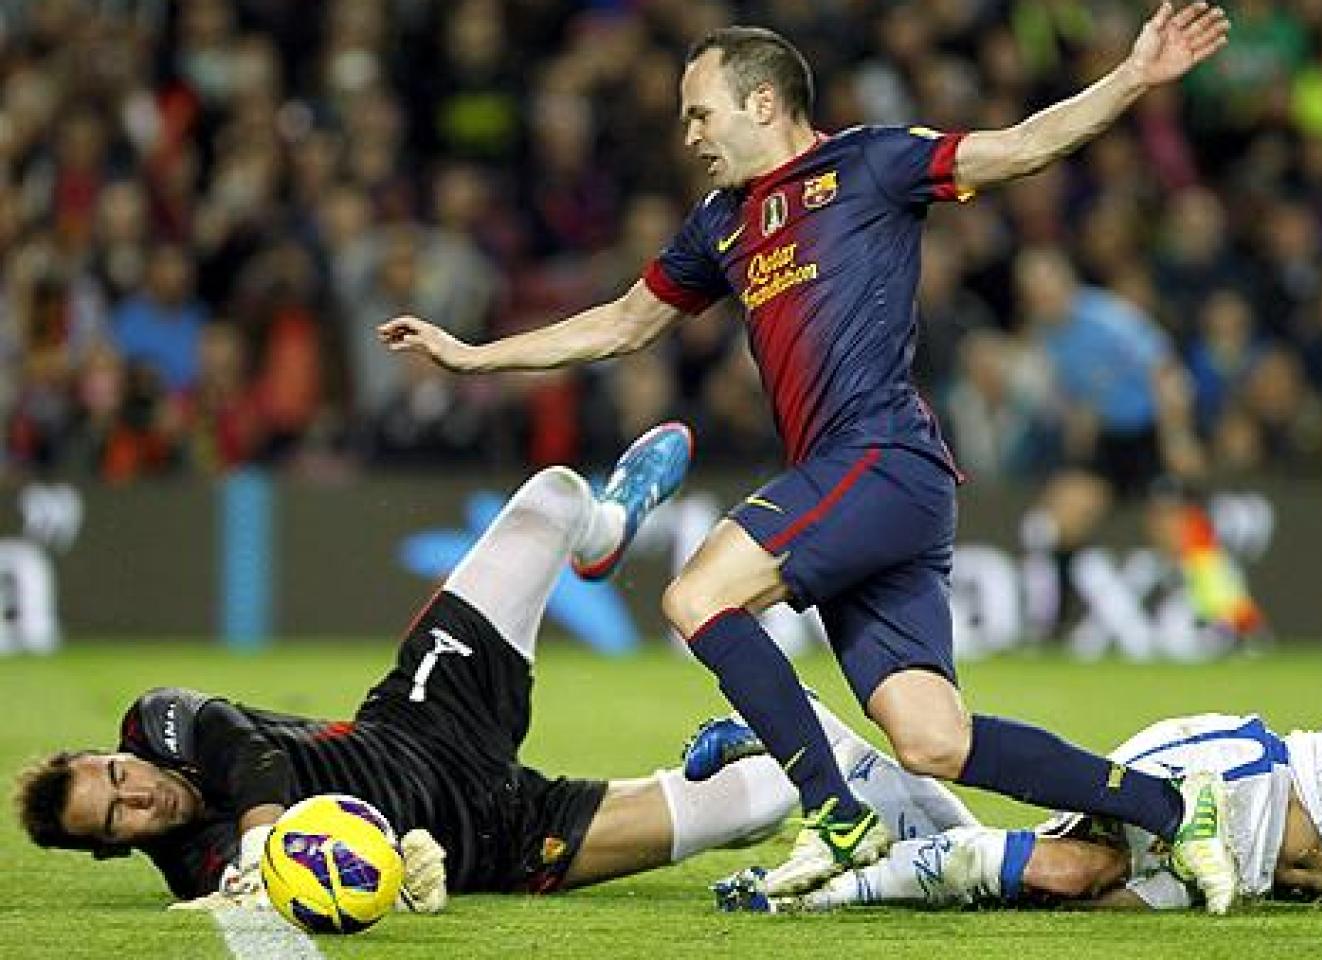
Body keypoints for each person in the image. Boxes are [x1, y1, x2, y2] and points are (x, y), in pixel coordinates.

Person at [377, 3, 1238, 909]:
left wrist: (1133, 76)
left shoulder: (870, 163)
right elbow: (623, 323)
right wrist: (477, 355)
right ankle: (1177, 809)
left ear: (760, 103)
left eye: (699, 112)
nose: (689, 133)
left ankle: (834, 816)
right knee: (931, 740)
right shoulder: (720, 224)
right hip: (868, 490)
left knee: (696, 594)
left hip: (881, 457)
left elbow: (1018, 146)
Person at [13, 427, 976, 909]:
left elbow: (241, 747)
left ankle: (604, 532)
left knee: (553, 495)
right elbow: (329, 901)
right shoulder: (198, 873)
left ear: (109, 753)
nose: (137, 796)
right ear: (114, 847)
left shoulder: (160, 725)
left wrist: (270, 842)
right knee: (773, 794)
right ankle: (959, 853)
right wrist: (393, 880)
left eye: (116, 778)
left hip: (423, 715)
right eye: (120, 819)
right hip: (495, 837)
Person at [708, 673, 1322, 917]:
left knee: (1038, 885)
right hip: (1242, 779)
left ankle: (814, 739)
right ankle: (802, 894)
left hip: (1260, 870)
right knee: (1067, 864)